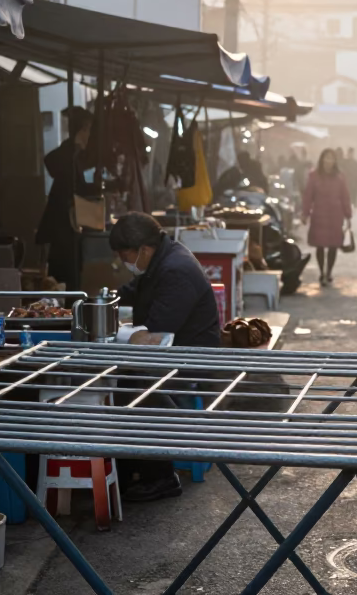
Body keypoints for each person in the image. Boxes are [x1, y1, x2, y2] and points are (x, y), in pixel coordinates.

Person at [109, 211, 222, 501]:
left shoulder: (175, 270)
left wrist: (125, 335)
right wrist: (102, 302)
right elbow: (131, 292)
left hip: (191, 359)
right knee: (117, 377)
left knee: (129, 383)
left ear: (144, 249)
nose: (124, 262)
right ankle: (131, 466)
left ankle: (161, 475)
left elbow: (158, 330)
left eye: (125, 255)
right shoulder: (161, 259)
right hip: (175, 351)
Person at [36, 106, 98, 289]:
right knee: (64, 274)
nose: (89, 136)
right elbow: (51, 162)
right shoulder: (68, 153)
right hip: (62, 227)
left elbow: (80, 187)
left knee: (69, 272)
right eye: (87, 130)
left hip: (68, 227)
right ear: (81, 130)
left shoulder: (75, 156)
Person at [303, 148, 353, 286]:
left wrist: (348, 215)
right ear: (321, 159)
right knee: (319, 245)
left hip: (335, 215)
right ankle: (321, 272)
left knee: (333, 245)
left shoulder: (340, 177)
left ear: (335, 160)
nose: (329, 161)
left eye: (331, 158)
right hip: (319, 213)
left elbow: (345, 197)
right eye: (326, 157)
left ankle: (329, 271)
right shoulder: (313, 176)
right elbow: (308, 196)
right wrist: (305, 213)